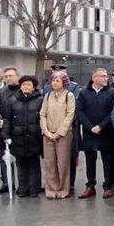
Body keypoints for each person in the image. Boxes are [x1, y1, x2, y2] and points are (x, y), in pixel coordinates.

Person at [76, 68, 114, 199]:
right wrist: (90, 127)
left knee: (107, 160)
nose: (106, 78)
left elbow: (113, 112)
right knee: (90, 159)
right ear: (94, 78)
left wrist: (101, 126)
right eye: (103, 76)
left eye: (106, 76)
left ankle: (108, 186)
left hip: (106, 131)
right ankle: (90, 186)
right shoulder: (84, 93)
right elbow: (79, 111)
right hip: (89, 132)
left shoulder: (112, 92)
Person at [1, 75, 43, 198]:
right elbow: (7, 119)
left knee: (34, 164)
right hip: (18, 137)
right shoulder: (13, 100)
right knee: (21, 164)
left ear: (33, 87)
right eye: (24, 84)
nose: (26, 86)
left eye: (29, 84)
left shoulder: (40, 100)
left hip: (35, 137)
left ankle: (34, 188)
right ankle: (22, 188)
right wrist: (5, 134)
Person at [39, 71, 76, 199]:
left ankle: (63, 189)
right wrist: (46, 131)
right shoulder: (47, 95)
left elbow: (70, 115)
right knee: (50, 163)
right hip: (48, 134)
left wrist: (59, 133)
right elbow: (42, 114)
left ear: (64, 82)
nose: (54, 83)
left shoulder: (69, 96)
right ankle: (51, 189)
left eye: (58, 81)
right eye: (53, 80)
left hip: (63, 134)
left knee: (62, 163)